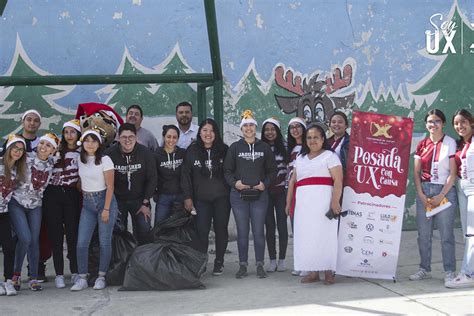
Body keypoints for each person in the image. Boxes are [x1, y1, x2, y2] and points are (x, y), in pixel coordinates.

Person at [286, 123, 342, 285]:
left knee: (325, 235)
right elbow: (293, 181)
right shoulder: (300, 158)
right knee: (307, 236)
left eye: (316, 137)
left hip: (323, 201)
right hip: (304, 204)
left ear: (323, 139)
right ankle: (313, 272)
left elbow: (338, 180)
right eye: (309, 138)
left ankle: (328, 272)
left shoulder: (330, 156)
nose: (312, 141)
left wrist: (335, 202)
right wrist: (288, 202)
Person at [224, 110, 277, 279]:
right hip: (239, 196)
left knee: (258, 231)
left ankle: (260, 264)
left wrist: (265, 184)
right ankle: (243, 265)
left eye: (251, 125)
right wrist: (235, 183)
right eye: (245, 126)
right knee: (242, 231)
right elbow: (227, 171)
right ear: (241, 129)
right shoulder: (235, 147)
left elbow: (272, 170)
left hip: (259, 196)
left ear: (255, 128)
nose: (248, 128)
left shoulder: (264, 147)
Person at [410, 109, 458, 286]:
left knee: (446, 235)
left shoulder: (450, 143)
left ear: (443, 123)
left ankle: (449, 271)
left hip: (444, 192)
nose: (433, 124)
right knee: (423, 235)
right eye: (430, 121)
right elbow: (416, 172)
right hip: (425, 191)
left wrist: (441, 195)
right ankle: (425, 269)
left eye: (437, 121)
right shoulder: (421, 144)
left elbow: (452, 173)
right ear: (426, 124)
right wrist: (421, 194)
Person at [9, 132, 59, 291]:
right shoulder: (26, 157)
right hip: (17, 202)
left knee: (34, 240)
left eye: (48, 145)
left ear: (53, 150)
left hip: (36, 205)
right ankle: (15, 274)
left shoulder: (52, 163)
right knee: (25, 238)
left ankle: (33, 277)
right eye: (42, 143)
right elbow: (9, 157)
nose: (44, 147)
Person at [181, 118, 230, 275]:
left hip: (221, 198)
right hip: (201, 199)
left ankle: (219, 262)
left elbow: (230, 173)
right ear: (199, 132)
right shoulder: (192, 151)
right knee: (202, 231)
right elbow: (186, 176)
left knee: (220, 229)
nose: (208, 134)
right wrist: (188, 197)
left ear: (216, 133)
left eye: (211, 130)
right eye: (204, 130)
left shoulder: (224, 150)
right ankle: (201, 262)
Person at [71, 129, 118, 291]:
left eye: (94, 141)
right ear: (82, 143)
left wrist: (106, 208)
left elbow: (110, 186)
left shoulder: (105, 160)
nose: (90, 144)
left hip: (105, 201)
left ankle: (101, 276)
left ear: (99, 144)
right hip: (88, 204)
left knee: (104, 241)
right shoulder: (80, 159)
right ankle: (82, 277)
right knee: (82, 242)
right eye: (87, 141)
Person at [42, 119, 82, 289]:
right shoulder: (57, 150)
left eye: (73, 132)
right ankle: (59, 274)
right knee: (56, 235)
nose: (69, 135)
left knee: (72, 235)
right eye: (66, 132)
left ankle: (74, 271)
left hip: (72, 195)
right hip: (53, 195)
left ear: (78, 134)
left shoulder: (82, 152)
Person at [106, 123, 157, 245]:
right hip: (118, 201)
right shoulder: (109, 154)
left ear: (136, 137)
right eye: (124, 137)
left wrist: (145, 202)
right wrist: (111, 204)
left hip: (140, 200)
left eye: (131, 137)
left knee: (144, 231)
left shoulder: (145, 153)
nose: (127, 140)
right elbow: (105, 181)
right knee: (118, 233)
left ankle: (141, 261)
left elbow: (152, 178)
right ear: (118, 137)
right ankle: (122, 262)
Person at [446, 109, 474, 288]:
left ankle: (467, 273)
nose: (459, 126)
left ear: (471, 122)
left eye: (463, 122)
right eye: (456, 123)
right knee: (467, 233)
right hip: (461, 188)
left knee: (472, 233)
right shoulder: (458, 144)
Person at [261, 117, 289, 272]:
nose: (269, 132)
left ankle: (282, 259)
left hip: (281, 192)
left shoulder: (285, 146)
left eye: (272, 129)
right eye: (266, 129)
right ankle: (272, 259)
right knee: (269, 226)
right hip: (265, 192)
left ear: (277, 131)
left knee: (282, 225)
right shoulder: (260, 148)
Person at [0, 135, 27, 296]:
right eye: (15, 148)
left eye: (21, 150)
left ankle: (8, 281)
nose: (17, 152)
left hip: (4, 213)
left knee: (9, 248)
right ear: (8, 148)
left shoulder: (18, 170)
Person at [286, 116, 306, 276]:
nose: (295, 129)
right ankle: (299, 264)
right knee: (296, 229)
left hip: (306, 192)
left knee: (307, 229)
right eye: (292, 127)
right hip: (293, 192)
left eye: (298, 126)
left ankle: (308, 264)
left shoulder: (310, 147)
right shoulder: (289, 148)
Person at [155, 125, 186, 224]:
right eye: (168, 137)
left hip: (181, 196)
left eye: (174, 137)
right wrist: (154, 193)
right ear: (164, 137)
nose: (171, 140)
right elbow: (152, 176)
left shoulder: (183, 153)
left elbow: (187, 175)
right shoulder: (156, 155)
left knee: (180, 227)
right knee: (159, 227)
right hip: (163, 197)